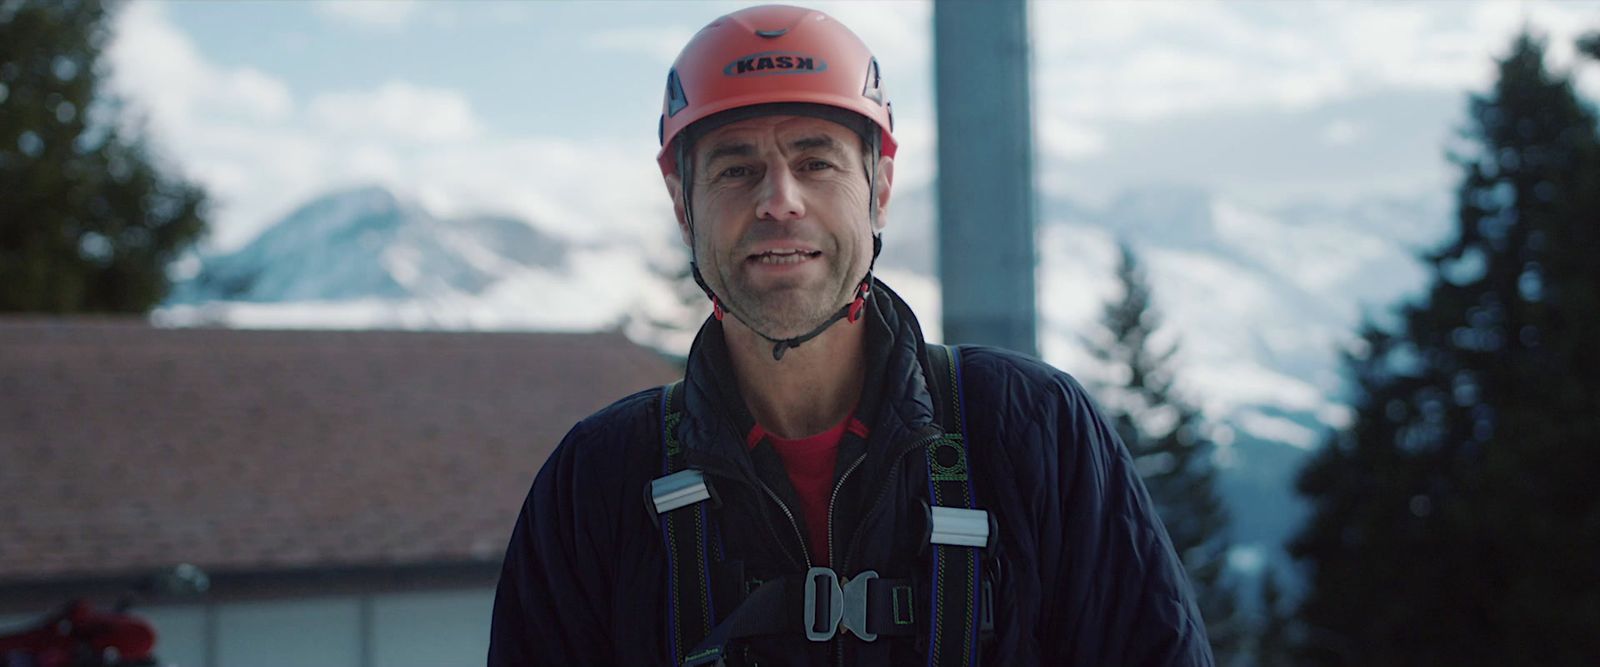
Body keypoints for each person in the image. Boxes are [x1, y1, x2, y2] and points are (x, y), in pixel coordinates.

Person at [489, 5, 1213, 666]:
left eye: (816, 161)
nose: (779, 200)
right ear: (684, 203)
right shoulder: (600, 481)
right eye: (737, 168)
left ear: (880, 188)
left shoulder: (1033, 434)